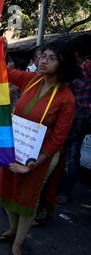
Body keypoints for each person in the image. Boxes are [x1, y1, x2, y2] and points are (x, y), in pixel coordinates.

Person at [0, 41, 77, 255]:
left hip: (41, 157)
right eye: (42, 56)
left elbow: (58, 140)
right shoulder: (31, 80)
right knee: (6, 191)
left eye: (51, 58)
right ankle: (12, 230)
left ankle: (18, 243)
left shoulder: (66, 98)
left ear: (63, 64)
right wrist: (0, 51)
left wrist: (30, 165)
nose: (42, 61)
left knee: (27, 200)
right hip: (15, 147)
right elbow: (4, 72)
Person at [57, 38, 91, 204]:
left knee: (72, 157)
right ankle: (58, 188)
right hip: (68, 116)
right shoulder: (72, 69)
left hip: (79, 117)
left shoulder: (85, 68)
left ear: (75, 53)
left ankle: (65, 191)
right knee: (62, 154)